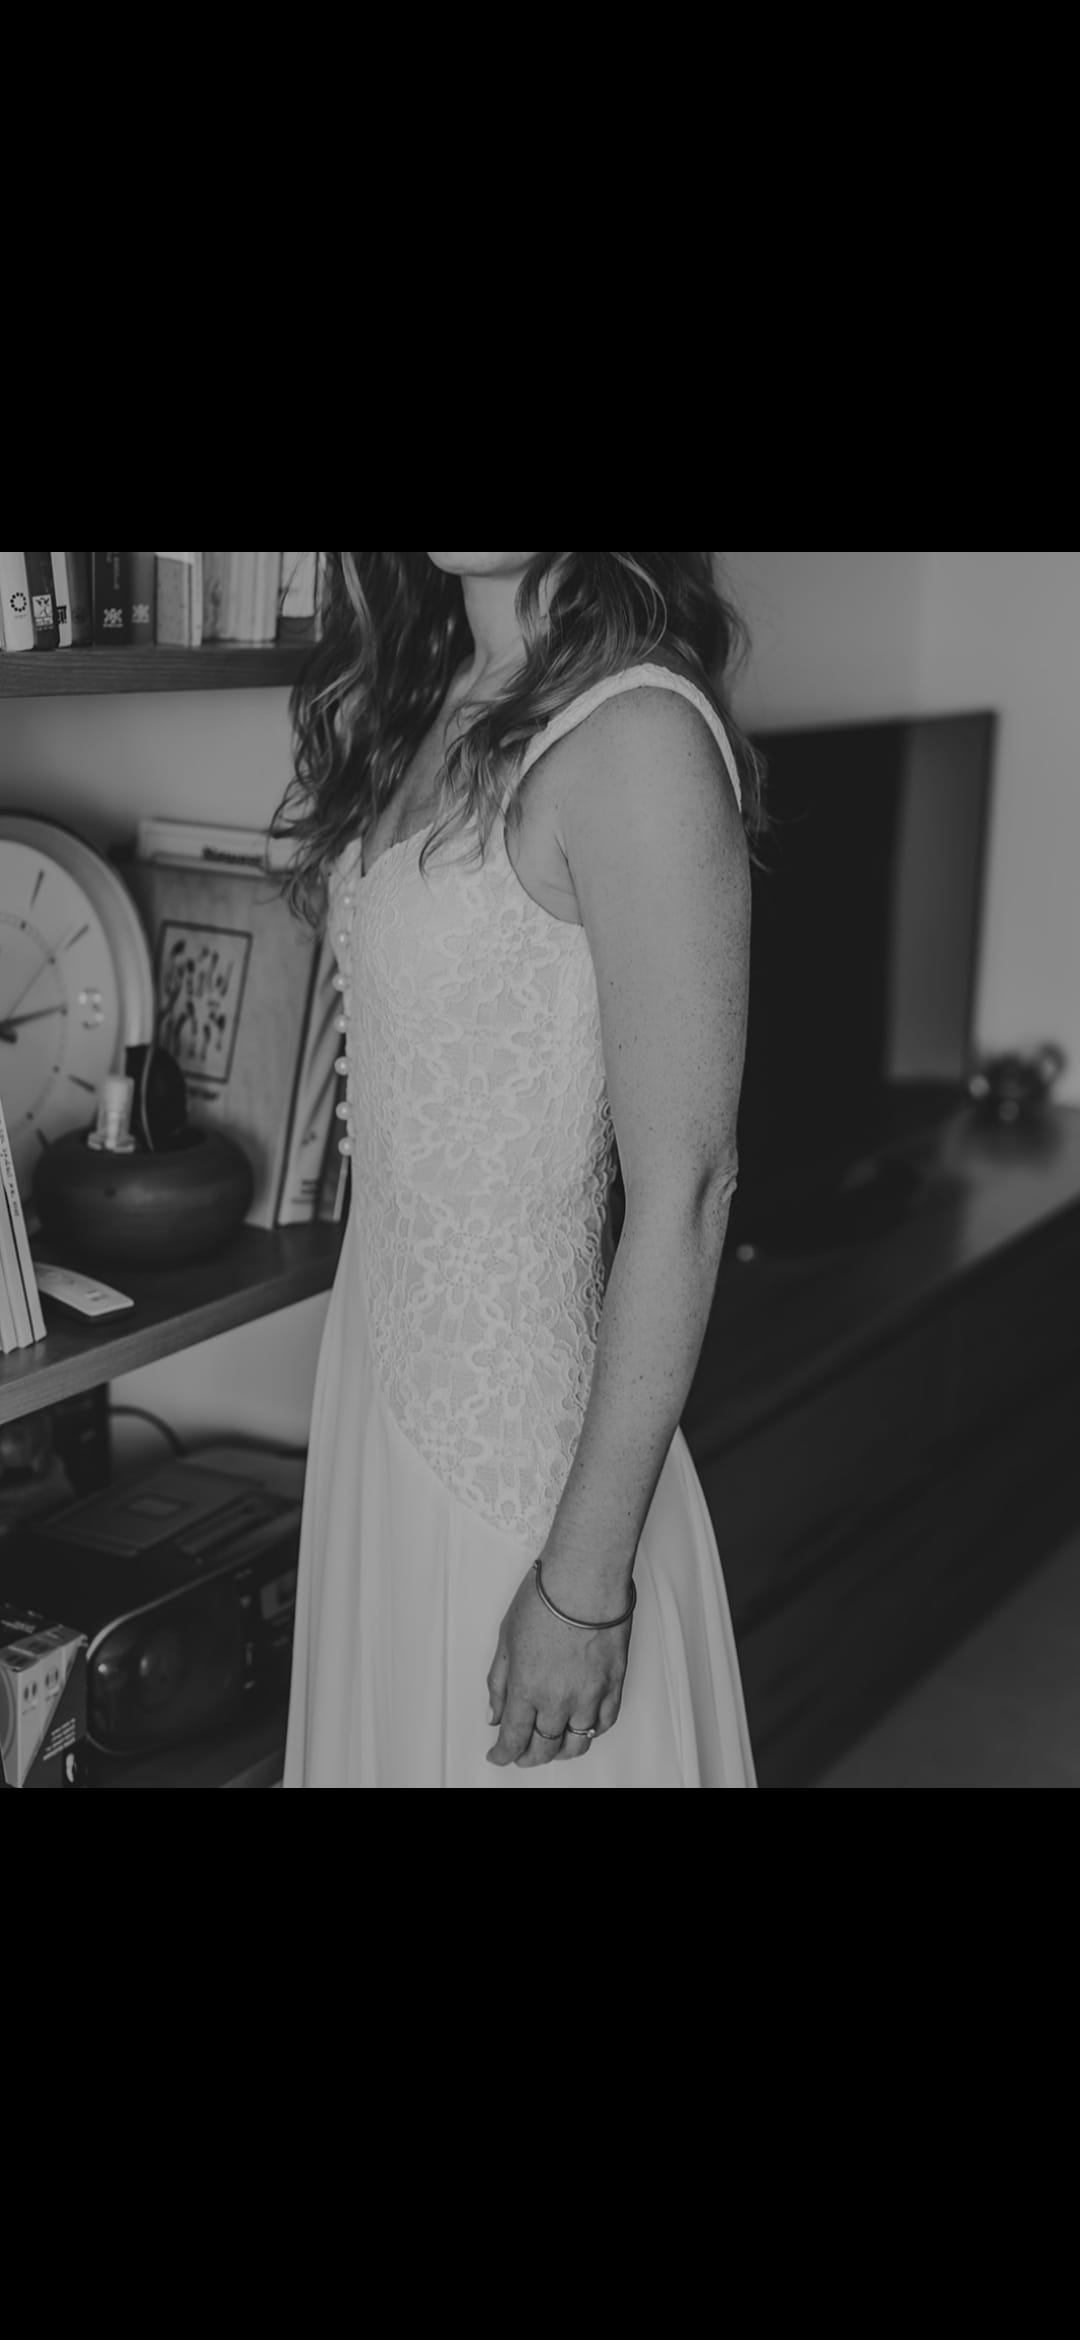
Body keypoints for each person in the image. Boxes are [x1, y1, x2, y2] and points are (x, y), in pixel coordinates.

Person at [275, 552, 770, 1788]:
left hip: (525, 1469)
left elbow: (689, 1189)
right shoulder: (421, 691)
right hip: (377, 1388)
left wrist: (582, 1587)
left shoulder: (637, 735)